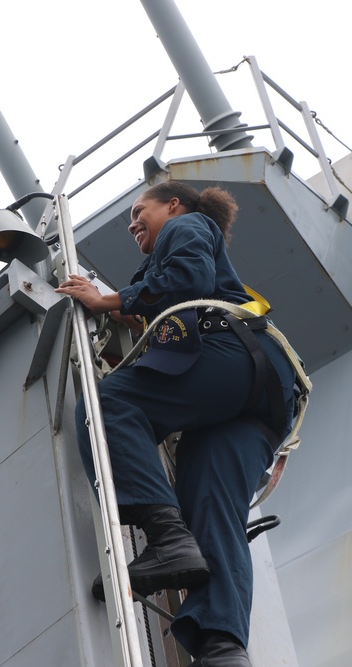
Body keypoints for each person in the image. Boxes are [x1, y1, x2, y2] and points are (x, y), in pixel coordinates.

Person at [55, 181, 297, 667]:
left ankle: (165, 539)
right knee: (213, 504)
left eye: (138, 211)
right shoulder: (184, 247)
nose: (132, 224)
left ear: (172, 204)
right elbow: (184, 290)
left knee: (110, 406)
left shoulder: (187, 225)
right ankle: (223, 646)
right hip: (267, 398)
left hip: (227, 354)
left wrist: (108, 300)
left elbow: (187, 278)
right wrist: (133, 313)